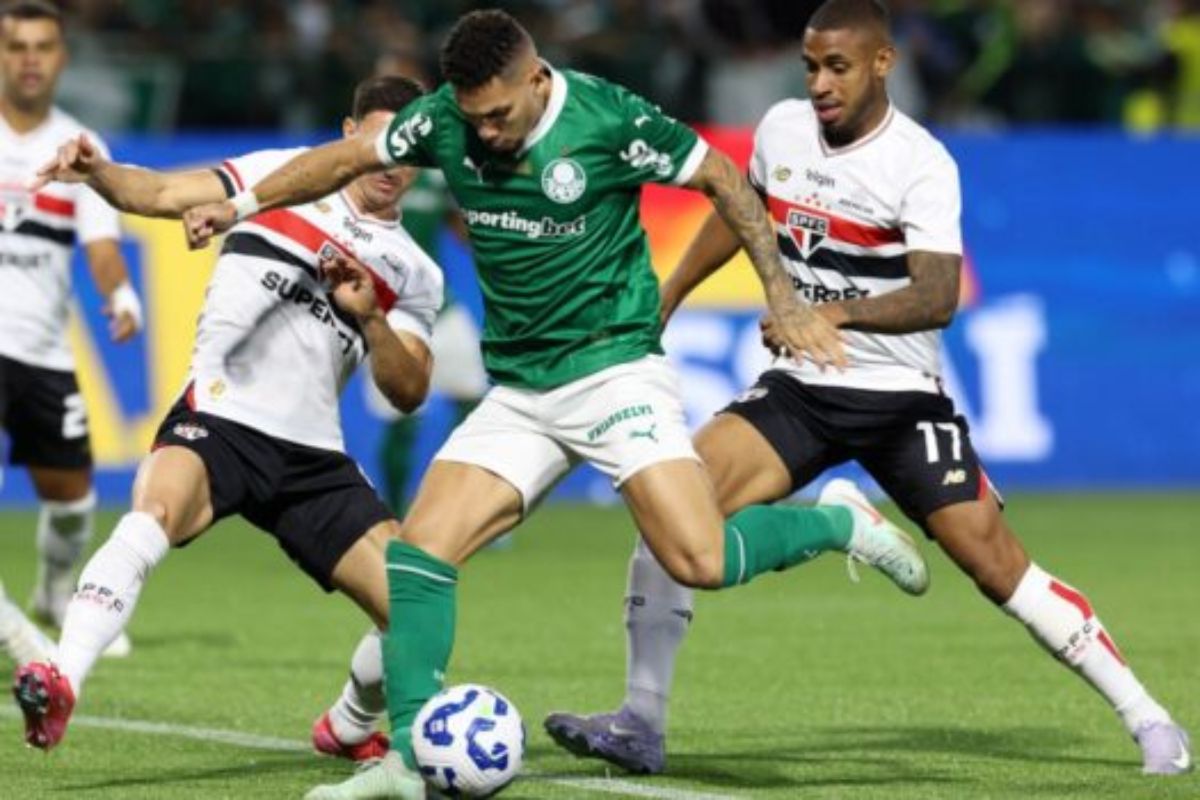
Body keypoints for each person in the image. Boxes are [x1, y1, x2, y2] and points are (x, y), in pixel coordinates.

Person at [179, 10, 931, 799]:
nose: (488, 135)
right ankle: (405, 759)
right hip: (522, 390)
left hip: (614, 371)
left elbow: (723, 179)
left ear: (537, 80)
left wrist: (784, 294)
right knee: (417, 556)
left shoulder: (608, 117)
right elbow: (342, 157)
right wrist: (241, 206)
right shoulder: (443, 122)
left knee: (698, 559)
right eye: (474, 120)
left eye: (500, 116)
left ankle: (840, 521)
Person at [543, 0, 1193, 778]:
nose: (819, 82)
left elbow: (938, 294)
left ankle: (1147, 717)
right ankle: (641, 724)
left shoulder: (920, 162)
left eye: (838, 67)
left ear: (883, 63)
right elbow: (743, 207)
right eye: (812, 65)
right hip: (801, 389)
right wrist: (671, 291)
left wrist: (827, 313)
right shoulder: (783, 128)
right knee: (671, 517)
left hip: (901, 399)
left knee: (995, 567)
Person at [12, 75, 443, 765]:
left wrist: (369, 319)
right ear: (347, 132)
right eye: (378, 140)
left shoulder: (415, 271)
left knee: (419, 611)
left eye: (408, 146)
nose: (392, 161)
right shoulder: (277, 177)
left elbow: (410, 388)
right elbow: (155, 194)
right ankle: (63, 676)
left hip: (313, 458)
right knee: (153, 510)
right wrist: (97, 174)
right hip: (222, 419)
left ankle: (349, 723)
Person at [0, 0, 143, 661]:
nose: (29, 57)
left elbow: (100, 243)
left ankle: (56, 594)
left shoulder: (80, 145)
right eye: (16, 45)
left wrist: (119, 292)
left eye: (42, 46)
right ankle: (26, 644)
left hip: (43, 353)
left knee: (72, 497)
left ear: (61, 58)